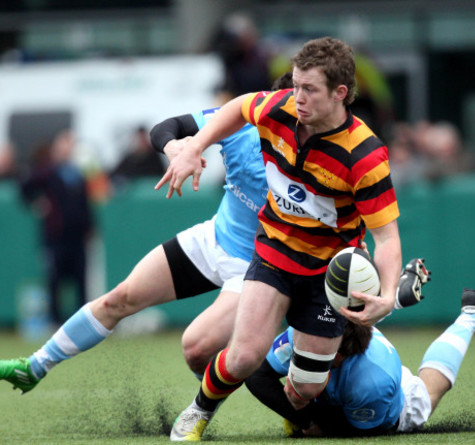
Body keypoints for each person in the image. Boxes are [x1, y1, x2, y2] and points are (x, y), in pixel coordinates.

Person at [0, 74, 294, 394]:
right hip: (214, 238)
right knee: (119, 298)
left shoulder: (315, 158)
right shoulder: (239, 121)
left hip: (259, 265)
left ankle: (278, 390)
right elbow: (164, 129)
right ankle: (34, 367)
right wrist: (176, 148)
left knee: (198, 350)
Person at [157, 37, 404, 441]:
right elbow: (237, 107)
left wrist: (389, 292)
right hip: (274, 252)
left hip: (328, 276)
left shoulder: (365, 156)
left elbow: (387, 238)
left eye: (310, 89)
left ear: (341, 93)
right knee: (242, 356)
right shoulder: (282, 106)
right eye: (296, 86)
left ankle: (296, 389)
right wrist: (194, 146)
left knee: (306, 387)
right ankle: (198, 412)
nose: (298, 97)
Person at [245, 288, 475, 437]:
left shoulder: (371, 384)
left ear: (338, 354)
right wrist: (304, 419)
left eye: (315, 348)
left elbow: (361, 431)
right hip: (365, 360)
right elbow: (256, 374)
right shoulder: (314, 334)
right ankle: (393, 299)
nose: (305, 347)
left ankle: (471, 315)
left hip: (389, 400)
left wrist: (309, 419)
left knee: (427, 392)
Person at [18, 130, 95, 326]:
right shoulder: (47, 170)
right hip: (55, 236)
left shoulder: (77, 172)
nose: (68, 147)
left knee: (80, 279)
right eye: (64, 143)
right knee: (54, 279)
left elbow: (85, 203)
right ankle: (54, 320)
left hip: (76, 235)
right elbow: (25, 187)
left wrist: (89, 226)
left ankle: (81, 322)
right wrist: (37, 201)